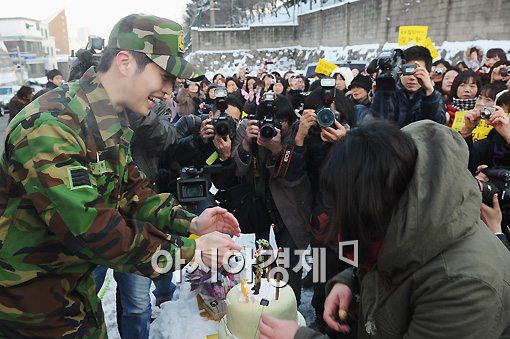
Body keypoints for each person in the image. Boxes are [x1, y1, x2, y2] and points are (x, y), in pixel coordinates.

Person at [0, 14, 241, 338]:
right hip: (27, 311)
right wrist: (192, 251)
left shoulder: (107, 120)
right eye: (164, 76)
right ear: (125, 62)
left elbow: (132, 191)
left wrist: (190, 223)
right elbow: (92, 230)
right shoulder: (51, 124)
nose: (169, 91)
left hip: (73, 295)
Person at [259, 119, 510, 339]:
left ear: (372, 203)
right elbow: (393, 262)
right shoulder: (410, 215)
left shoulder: (464, 285)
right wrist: (349, 282)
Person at [367, 46, 446, 127]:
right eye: (407, 71)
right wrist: (381, 95)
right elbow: (375, 126)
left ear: (428, 73)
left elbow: (435, 127)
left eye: (417, 72)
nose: (412, 77)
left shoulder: (435, 97)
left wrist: (429, 93)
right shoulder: (390, 92)